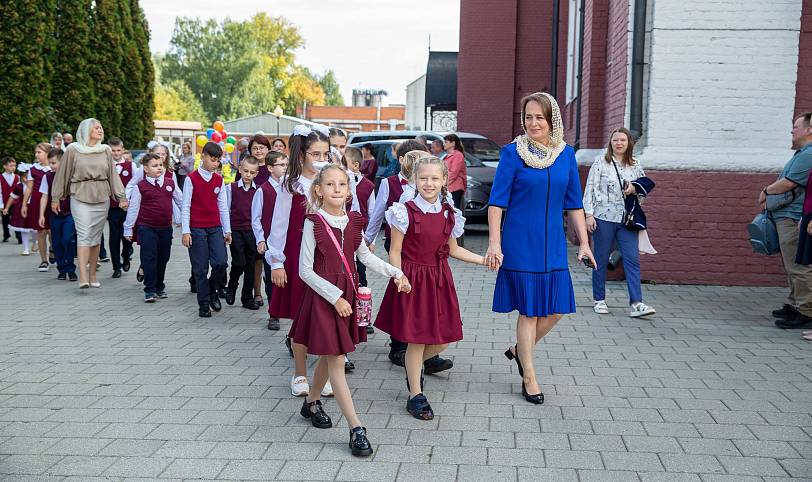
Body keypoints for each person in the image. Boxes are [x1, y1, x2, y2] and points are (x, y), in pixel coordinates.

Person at [485, 92, 595, 405]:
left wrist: (584, 244)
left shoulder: (565, 154)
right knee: (530, 310)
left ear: (552, 120)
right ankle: (529, 376)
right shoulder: (512, 153)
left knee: (558, 308)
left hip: (553, 244)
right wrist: (494, 242)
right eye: (528, 117)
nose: (533, 123)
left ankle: (521, 350)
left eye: (539, 117)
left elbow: (574, 203)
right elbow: (497, 202)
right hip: (520, 242)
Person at [292, 164, 409, 456]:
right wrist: (334, 297)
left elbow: (364, 256)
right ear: (318, 190)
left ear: (348, 191)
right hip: (324, 298)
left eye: (342, 185)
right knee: (337, 359)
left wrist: (395, 273)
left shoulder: (354, 220)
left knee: (331, 353)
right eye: (330, 185)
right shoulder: (313, 222)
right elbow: (305, 270)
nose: (336, 189)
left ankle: (311, 402)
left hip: (348, 296)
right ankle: (356, 427)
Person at [376, 156, 486, 420]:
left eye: (435, 178)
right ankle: (415, 393)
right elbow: (395, 251)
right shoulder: (405, 211)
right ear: (415, 179)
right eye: (423, 178)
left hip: (439, 280)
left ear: (444, 181)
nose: (428, 183)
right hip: (412, 279)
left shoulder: (449, 212)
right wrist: (398, 275)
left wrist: (484, 260)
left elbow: (453, 249)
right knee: (417, 339)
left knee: (445, 337)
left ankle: (414, 366)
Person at [365, 141, 454, 374]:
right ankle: (399, 347)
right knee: (404, 297)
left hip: (428, 248)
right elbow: (377, 213)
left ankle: (425, 355)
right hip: (400, 242)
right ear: (403, 161)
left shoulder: (437, 197)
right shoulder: (390, 183)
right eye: (415, 160)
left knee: (426, 307)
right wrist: (369, 239)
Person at [266, 124, 333, 397]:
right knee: (302, 318)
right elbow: (278, 225)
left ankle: (323, 374)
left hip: (327, 259)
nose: (320, 159)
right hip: (297, 257)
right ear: (302, 154)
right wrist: (276, 262)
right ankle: (300, 373)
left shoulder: (331, 180)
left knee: (325, 319)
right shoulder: (290, 185)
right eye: (315, 154)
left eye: (325, 154)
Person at [583, 127, 656, 317]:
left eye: (623, 140)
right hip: (603, 217)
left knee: (632, 259)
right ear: (611, 143)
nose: (619, 143)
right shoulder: (601, 163)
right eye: (615, 140)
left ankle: (637, 303)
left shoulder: (636, 165)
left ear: (628, 143)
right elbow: (589, 189)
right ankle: (599, 299)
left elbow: (642, 191)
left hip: (626, 220)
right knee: (599, 258)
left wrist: (633, 191)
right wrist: (589, 214)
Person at [51, 118, 127, 288]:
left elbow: (113, 175)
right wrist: (56, 197)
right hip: (80, 195)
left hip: (101, 196)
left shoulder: (105, 150)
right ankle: (83, 276)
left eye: (101, 127)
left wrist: (121, 197)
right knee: (84, 234)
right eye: (96, 128)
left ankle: (93, 274)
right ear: (86, 131)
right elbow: (62, 174)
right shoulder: (73, 149)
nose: (100, 130)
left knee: (95, 237)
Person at [766, 112, 812, 329]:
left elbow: (789, 183)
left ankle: (805, 310)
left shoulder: (808, 154)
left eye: (796, 126)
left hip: (793, 216)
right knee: (790, 264)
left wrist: (765, 191)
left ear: (809, 130)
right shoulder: (802, 153)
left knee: (798, 266)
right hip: (787, 214)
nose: (792, 130)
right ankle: (795, 304)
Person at [123, 153, 183, 302]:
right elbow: (133, 209)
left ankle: (159, 286)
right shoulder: (141, 186)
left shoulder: (170, 183)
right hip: (146, 227)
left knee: (163, 258)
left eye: (160, 165)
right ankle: (149, 289)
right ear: (145, 168)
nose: (159, 168)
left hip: (165, 228)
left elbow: (181, 202)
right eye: (154, 166)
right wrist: (128, 228)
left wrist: (187, 219)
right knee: (149, 257)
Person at [182, 142, 232, 317]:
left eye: (218, 161)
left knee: (221, 262)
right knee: (200, 268)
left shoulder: (219, 179)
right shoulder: (191, 179)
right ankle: (203, 304)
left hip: (215, 227)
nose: (215, 164)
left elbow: (223, 206)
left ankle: (213, 291)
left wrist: (228, 230)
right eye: (212, 159)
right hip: (196, 229)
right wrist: (185, 231)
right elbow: (186, 206)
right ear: (203, 156)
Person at [253, 151, 289, 330]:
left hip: (289, 240)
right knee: (272, 277)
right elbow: (256, 218)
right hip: (271, 242)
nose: (285, 168)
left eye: (286, 164)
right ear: (269, 168)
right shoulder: (263, 190)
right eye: (281, 165)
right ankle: (273, 314)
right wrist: (260, 240)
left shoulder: (290, 188)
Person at [225, 156, 261, 310]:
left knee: (251, 266)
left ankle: (247, 298)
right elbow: (225, 210)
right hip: (236, 231)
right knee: (239, 262)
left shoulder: (258, 190)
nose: (248, 175)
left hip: (252, 232)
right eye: (245, 171)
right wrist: (226, 231)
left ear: (256, 173)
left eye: (252, 173)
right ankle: (231, 286)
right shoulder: (230, 188)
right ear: (240, 169)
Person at [38, 148, 77, 281]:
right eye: (50, 163)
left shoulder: (72, 176)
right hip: (54, 215)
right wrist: (41, 215)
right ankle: (61, 268)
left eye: (54, 163)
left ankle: (71, 268)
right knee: (56, 242)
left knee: (68, 239)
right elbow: (44, 196)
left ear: (63, 162)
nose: (51, 166)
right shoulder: (47, 176)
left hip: (69, 213)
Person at [21, 143, 52, 272]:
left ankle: (53, 249)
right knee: (41, 231)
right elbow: (29, 188)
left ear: (47, 153)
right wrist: (24, 204)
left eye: (39, 152)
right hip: (37, 202)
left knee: (52, 231)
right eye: (36, 152)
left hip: (52, 201)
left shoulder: (54, 167)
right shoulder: (33, 169)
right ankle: (44, 260)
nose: (36, 154)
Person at [106, 138, 133, 278]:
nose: (116, 153)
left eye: (118, 150)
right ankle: (116, 266)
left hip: (127, 207)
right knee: (114, 237)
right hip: (112, 207)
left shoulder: (131, 166)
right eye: (113, 150)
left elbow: (135, 185)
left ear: (123, 150)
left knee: (127, 235)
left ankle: (127, 255)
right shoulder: (105, 166)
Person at [443, 134, 468, 246]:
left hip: (455, 188)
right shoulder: (447, 156)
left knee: (454, 214)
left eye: (446, 141)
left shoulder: (457, 155)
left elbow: (453, 173)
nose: (444, 144)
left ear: (453, 143)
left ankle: (456, 242)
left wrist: (443, 184)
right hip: (448, 187)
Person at [1, 156, 20, 243]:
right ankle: (6, 235)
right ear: (5, 166)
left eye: (14, 166)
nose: (13, 167)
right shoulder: (1, 178)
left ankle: (19, 235)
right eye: (11, 165)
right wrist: (1, 205)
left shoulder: (17, 177)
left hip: (16, 202)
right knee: (5, 219)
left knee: (16, 218)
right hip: (5, 202)